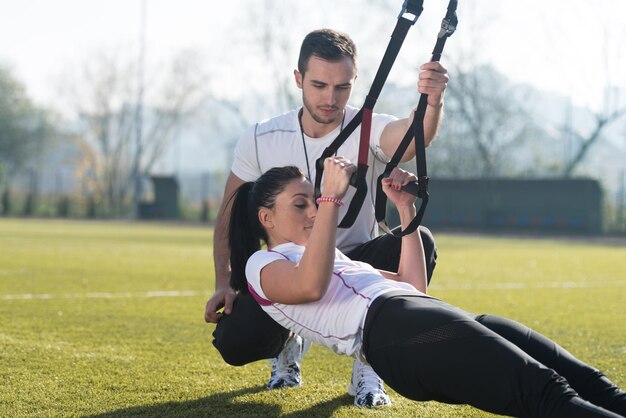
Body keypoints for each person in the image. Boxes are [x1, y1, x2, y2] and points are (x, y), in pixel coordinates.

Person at [228, 161, 626, 418]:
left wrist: (404, 210)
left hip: (417, 314)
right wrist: (332, 195)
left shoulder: (330, 257)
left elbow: (414, 286)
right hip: (393, 333)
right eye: (301, 204)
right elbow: (310, 286)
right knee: (546, 393)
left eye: (315, 200)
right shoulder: (261, 265)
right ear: (267, 217)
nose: (314, 209)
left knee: (586, 382)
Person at [205, 28, 448, 407]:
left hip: (356, 267)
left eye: (342, 87)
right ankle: (287, 341)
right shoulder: (260, 138)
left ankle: (370, 365)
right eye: (319, 85)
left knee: (420, 238)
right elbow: (228, 217)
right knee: (234, 341)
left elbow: (413, 139)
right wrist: (225, 282)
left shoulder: (368, 126)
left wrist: (431, 104)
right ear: (298, 79)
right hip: (290, 272)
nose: (330, 98)